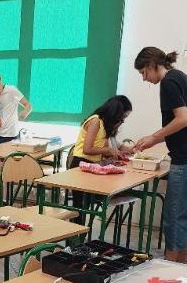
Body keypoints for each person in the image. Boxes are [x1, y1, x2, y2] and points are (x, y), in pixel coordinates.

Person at [134, 47, 187, 262]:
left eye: (143, 73)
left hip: (183, 159)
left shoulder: (168, 82)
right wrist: (153, 140)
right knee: (182, 216)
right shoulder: (179, 76)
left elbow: (183, 118)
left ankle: (169, 266)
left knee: (174, 216)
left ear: (151, 65)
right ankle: (180, 268)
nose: (144, 79)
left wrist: (154, 137)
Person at [69, 95, 133, 216]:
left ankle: (80, 226)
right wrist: (107, 150)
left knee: (85, 205)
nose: (123, 121)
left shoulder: (104, 125)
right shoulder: (95, 122)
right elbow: (87, 149)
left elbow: (101, 148)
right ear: (116, 112)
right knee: (80, 206)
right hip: (80, 165)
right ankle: (76, 227)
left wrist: (114, 153)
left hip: (91, 166)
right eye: (123, 117)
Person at [0, 66, 32, 207]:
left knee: (6, 172)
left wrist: (24, 113)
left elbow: (28, 105)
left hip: (9, 137)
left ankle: (5, 202)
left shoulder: (11, 90)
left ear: (0, 79)